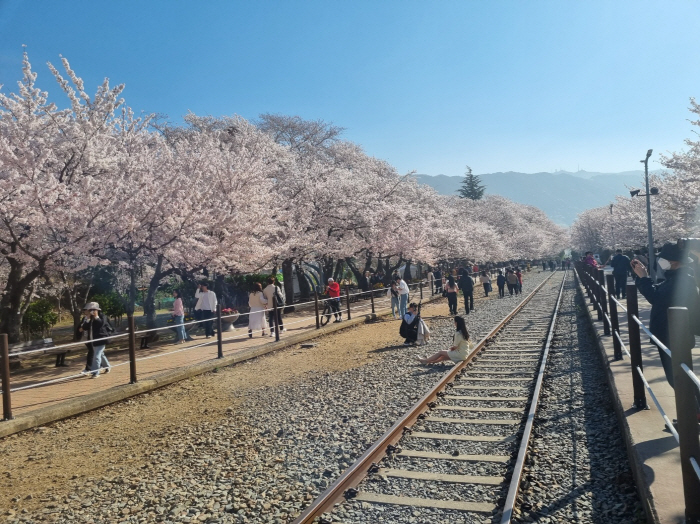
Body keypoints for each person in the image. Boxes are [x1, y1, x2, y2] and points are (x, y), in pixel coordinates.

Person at [631, 243, 700, 395]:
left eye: (663, 259)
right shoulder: (678, 278)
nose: (660, 262)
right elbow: (659, 294)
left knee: (679, 378)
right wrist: (643, 277)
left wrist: (643, 278)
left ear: (674, 262)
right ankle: (691, 414)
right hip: (672, 334)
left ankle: (692, 414)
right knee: (678, 377)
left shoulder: (681, 281)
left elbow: (656, 297)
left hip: (674, 335)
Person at [78, 302, 112, 378]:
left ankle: (95, 372)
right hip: (92, 340)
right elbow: (85, 327)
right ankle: (107, 366)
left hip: (101, 339)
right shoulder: (89, 318)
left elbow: (101, 324)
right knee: (101, 354)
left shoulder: (102, 316)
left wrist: (96, 316)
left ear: (97, 310)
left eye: (92, 310)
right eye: (89, 310)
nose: (90, 311)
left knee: (96, 356)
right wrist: (87, 318)